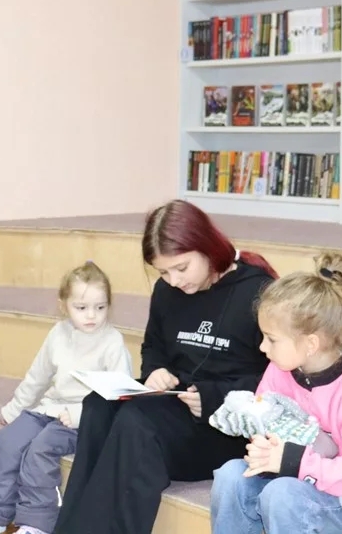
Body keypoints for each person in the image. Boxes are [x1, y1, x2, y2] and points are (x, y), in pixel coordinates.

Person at [52, 200, 277, 534]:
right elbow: (154, 346)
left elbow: (280, 380)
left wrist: (214, 396)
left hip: (227, 428)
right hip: (174, 405)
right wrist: (155, 369)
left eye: (181, 268)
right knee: (98, 404)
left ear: (206, 247)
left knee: (137, 423)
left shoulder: (258, 291)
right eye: (163, 272)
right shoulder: (167, 291)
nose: (173, 280)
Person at [210, 251, 342, 534]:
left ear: (310, 344)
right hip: (292, 479)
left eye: (271, 339)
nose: (262, 347)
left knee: (282, 494)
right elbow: (265, 422)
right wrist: (263, 446)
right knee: (230, 476)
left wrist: (293, 461)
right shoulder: (279, 368)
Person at [0, 261, 133, 534]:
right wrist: (14, 410)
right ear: (64, 305)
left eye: (100, 307)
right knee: (3, 443)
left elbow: (119, 394)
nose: (91, 315)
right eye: (81, 307)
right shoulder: (58, 334)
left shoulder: (112, 342)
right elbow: (37, 377)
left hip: (85, 420)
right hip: (49, 409)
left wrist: (79, 414)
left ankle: (37, 524)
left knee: (40, 450)